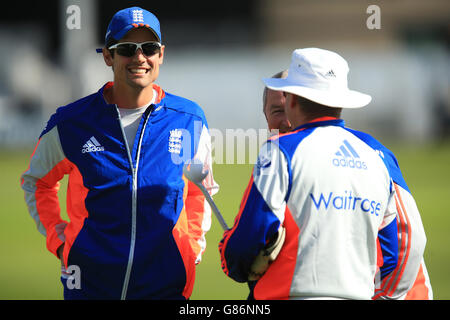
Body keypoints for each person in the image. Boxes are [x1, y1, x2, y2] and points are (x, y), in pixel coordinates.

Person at [21, 7, 218, 300]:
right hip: (90, 285)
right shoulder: (71, 122)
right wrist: (60, 240)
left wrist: (191, 247)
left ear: (161, 54)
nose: (140, 57)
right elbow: (37, 181)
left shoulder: (189, 119)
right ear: (108, 56)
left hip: (166, 283)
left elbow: (200, 188)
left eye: (149, 48)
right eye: (127, 48)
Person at [219, 48, 431, 300]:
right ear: (341, 102)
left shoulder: (280, 151)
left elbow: (247, 241)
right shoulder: (377, 154)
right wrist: (387, 296)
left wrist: (233, 259)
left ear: (293, 100)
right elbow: (405, 240)